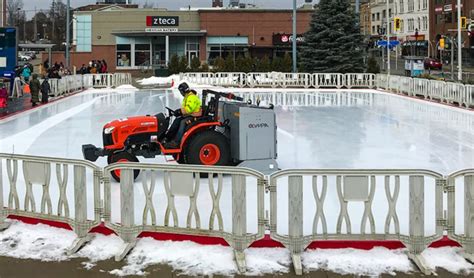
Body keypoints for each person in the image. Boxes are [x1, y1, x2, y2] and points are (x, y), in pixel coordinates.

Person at [164, 82, 202, 148]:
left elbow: (189, 109)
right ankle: (168, 137)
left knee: (182, 122)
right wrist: (178, 112)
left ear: (184, 91)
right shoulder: (187, 96)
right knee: (177, 120)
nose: (181, 93)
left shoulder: (192, 97)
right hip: (190, 114)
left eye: (181, 92)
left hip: (194, 116)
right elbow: (186, 109)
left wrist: (180, 111)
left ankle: (176, 142)